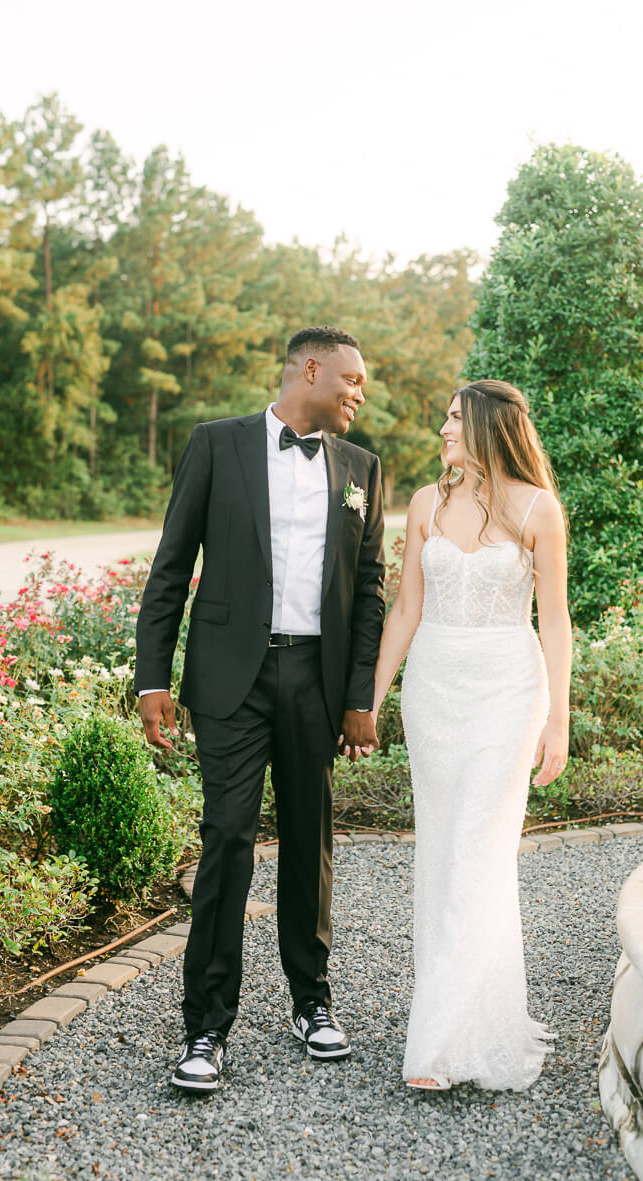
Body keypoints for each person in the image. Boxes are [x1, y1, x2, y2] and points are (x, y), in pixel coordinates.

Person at [134, 326, 386, 1092]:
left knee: (310, 841)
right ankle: (205, 1028)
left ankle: (313, 1002)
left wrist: (358, 697)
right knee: (227, 840)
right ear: (310, 370)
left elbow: (371, 589)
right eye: (351, 380)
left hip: (316, 680)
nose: (358, 395)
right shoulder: (217, 445)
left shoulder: (362, 468)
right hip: (229, 682)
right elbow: (171, 567)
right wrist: (152, 682)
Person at [371, 380, 571, 1091]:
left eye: (455, 418)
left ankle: (441, 1044)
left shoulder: (539, 510)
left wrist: (559, 720)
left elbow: (555, 620)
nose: (444, 428)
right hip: (434, 690)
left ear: (488, 426)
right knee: (442, 845)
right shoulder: (427, 503)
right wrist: (369, 699)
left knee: (478, 851)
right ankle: (465, 1013)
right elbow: (404, 611)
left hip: (507, 693)